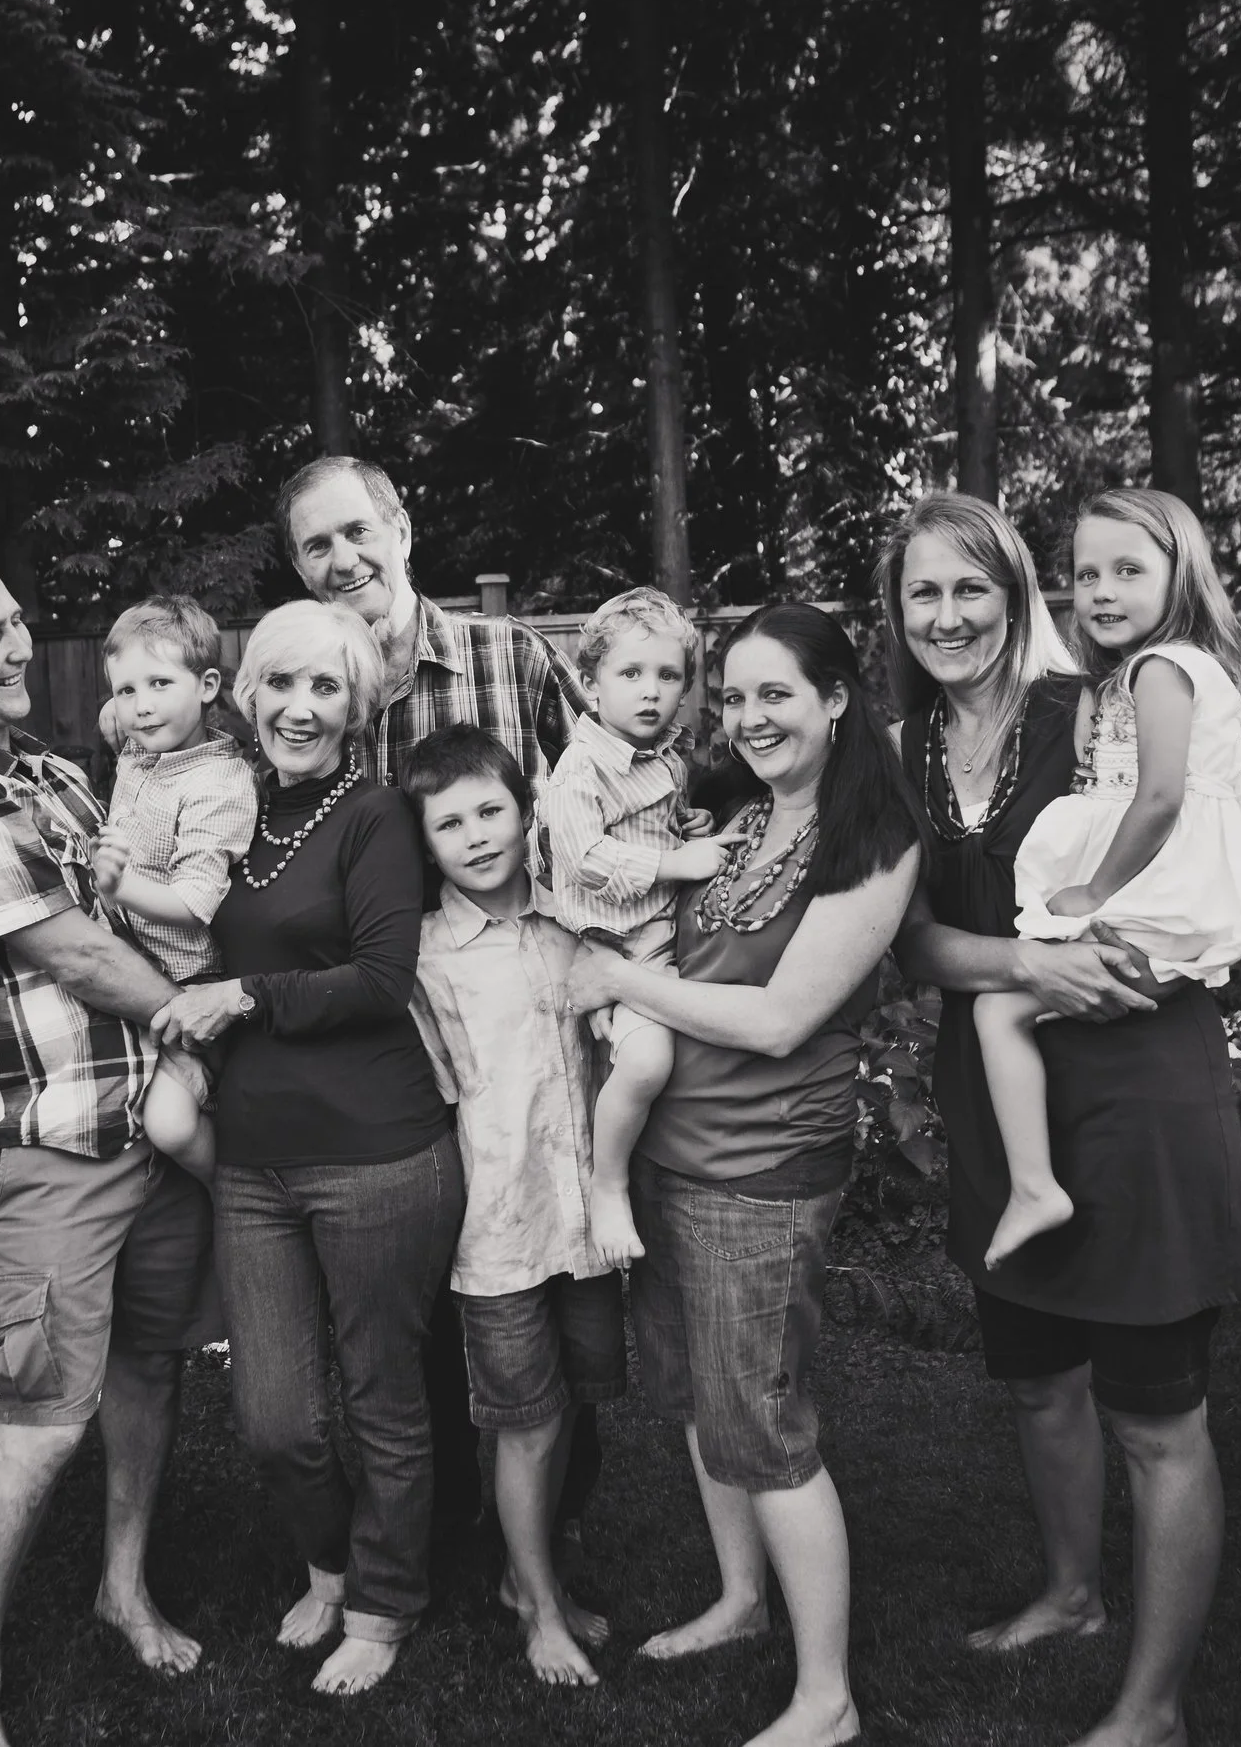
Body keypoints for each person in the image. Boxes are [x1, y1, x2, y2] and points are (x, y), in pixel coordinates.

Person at [883, 491, 1241, 1747]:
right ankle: (1068, 1594)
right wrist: (1022, 968)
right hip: (1001, 1097)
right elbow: (907, 945)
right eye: (921, 593)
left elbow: (1189, 860)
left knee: (1156, 1412)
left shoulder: (1088, 708)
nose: (947, 616)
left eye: (969, 589)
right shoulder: (899, 752)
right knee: (1039, 1382)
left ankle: (1151, 1705)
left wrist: (1058, 960)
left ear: (1015, 596)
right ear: (896, 614)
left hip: (1136, 1084)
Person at [0, 557, 220, 1747]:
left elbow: (135, 909)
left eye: (19, 620)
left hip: (146, 1128)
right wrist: (203, 1022)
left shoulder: (59, 776)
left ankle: (121, 1583)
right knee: (40, 1418)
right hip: (50, 1151)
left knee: (149, 1368)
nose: (23, 645)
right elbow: (75, 953)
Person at [565, 604, 923, 1747]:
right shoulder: (733, 810)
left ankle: (826, 1698)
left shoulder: (871, 841)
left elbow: (777, 1019)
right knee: (700, 1405)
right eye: (733, 697)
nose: (748, 717)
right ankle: (738, 1599)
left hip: (762, 1168)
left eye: (775, 693)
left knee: (763, 1427)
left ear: (832, 698)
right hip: (670, 1154)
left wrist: (607, 981)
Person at [271, 453, 601, 1540]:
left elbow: (604, 787)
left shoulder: (509, 659)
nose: (341, 559)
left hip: (513, 1004)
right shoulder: (302, 692)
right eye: (315, 545)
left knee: (539, 1257)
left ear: (402, 530)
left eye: (356, 531)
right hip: (375, 1030)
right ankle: (443, 1522)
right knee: (411, 1293)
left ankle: (548, 1522)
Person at [152, 600, 460, 1697]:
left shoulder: (374, 814)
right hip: (251, 1160)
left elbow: (382, 977)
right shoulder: (224, 811)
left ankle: (384, 1602)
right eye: (280, 682)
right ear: (247, 694)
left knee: (383, 1392)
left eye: (325, 686)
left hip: (377, 1151)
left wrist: (243, 994)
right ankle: (328, 1563)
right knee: (274, 1414)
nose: (300, 705)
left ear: (357, 704)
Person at [974, 492, 1241, 1269]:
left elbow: (1159, 798)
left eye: (1127, 570)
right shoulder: (1143, 673)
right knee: (1023, 1007)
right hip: (1169, 893)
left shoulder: (1163, 669)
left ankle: (1034, 1187)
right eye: (1086, 575)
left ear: (1178, 578)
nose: (1102, 591)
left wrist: (1096, 892)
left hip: (1151, 893)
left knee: (997, 1007)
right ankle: (1042, 1184)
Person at [402, 725, 624, 1688]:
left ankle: (530, 1577)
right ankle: (536, 1602)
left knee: (569, 1401)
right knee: (523, 1415)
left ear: (526, 812)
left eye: (491, 810)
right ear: (427, 844)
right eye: (449, 824)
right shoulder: (425, 957)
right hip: (497, 1227)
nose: (477, 835)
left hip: (586, 1218)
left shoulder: (576, 920)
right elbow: (440, 1089)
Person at [536, 586, 747, 1269]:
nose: (651, 692)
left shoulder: (666, 755)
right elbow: (583, 858)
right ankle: (609, 1183)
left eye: (667, 676)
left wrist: (687, 829)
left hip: (660, 933)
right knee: (649, 1059)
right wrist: (674, 859)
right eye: (630, 674)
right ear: (592, 689)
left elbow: (658, 821)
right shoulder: (582, 768)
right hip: (618, 941)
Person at [90, 595, 259, 1185]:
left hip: (194, 984)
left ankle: (236, 1195)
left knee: (169, 1123)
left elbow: (194, 905)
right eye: (126, 690)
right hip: (134, 974)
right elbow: (121, 721)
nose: (142, 706)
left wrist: (120, 885)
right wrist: (125, 705)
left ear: (208, 684)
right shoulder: (141, 750)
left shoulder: (220, 784)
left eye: (160, 683)